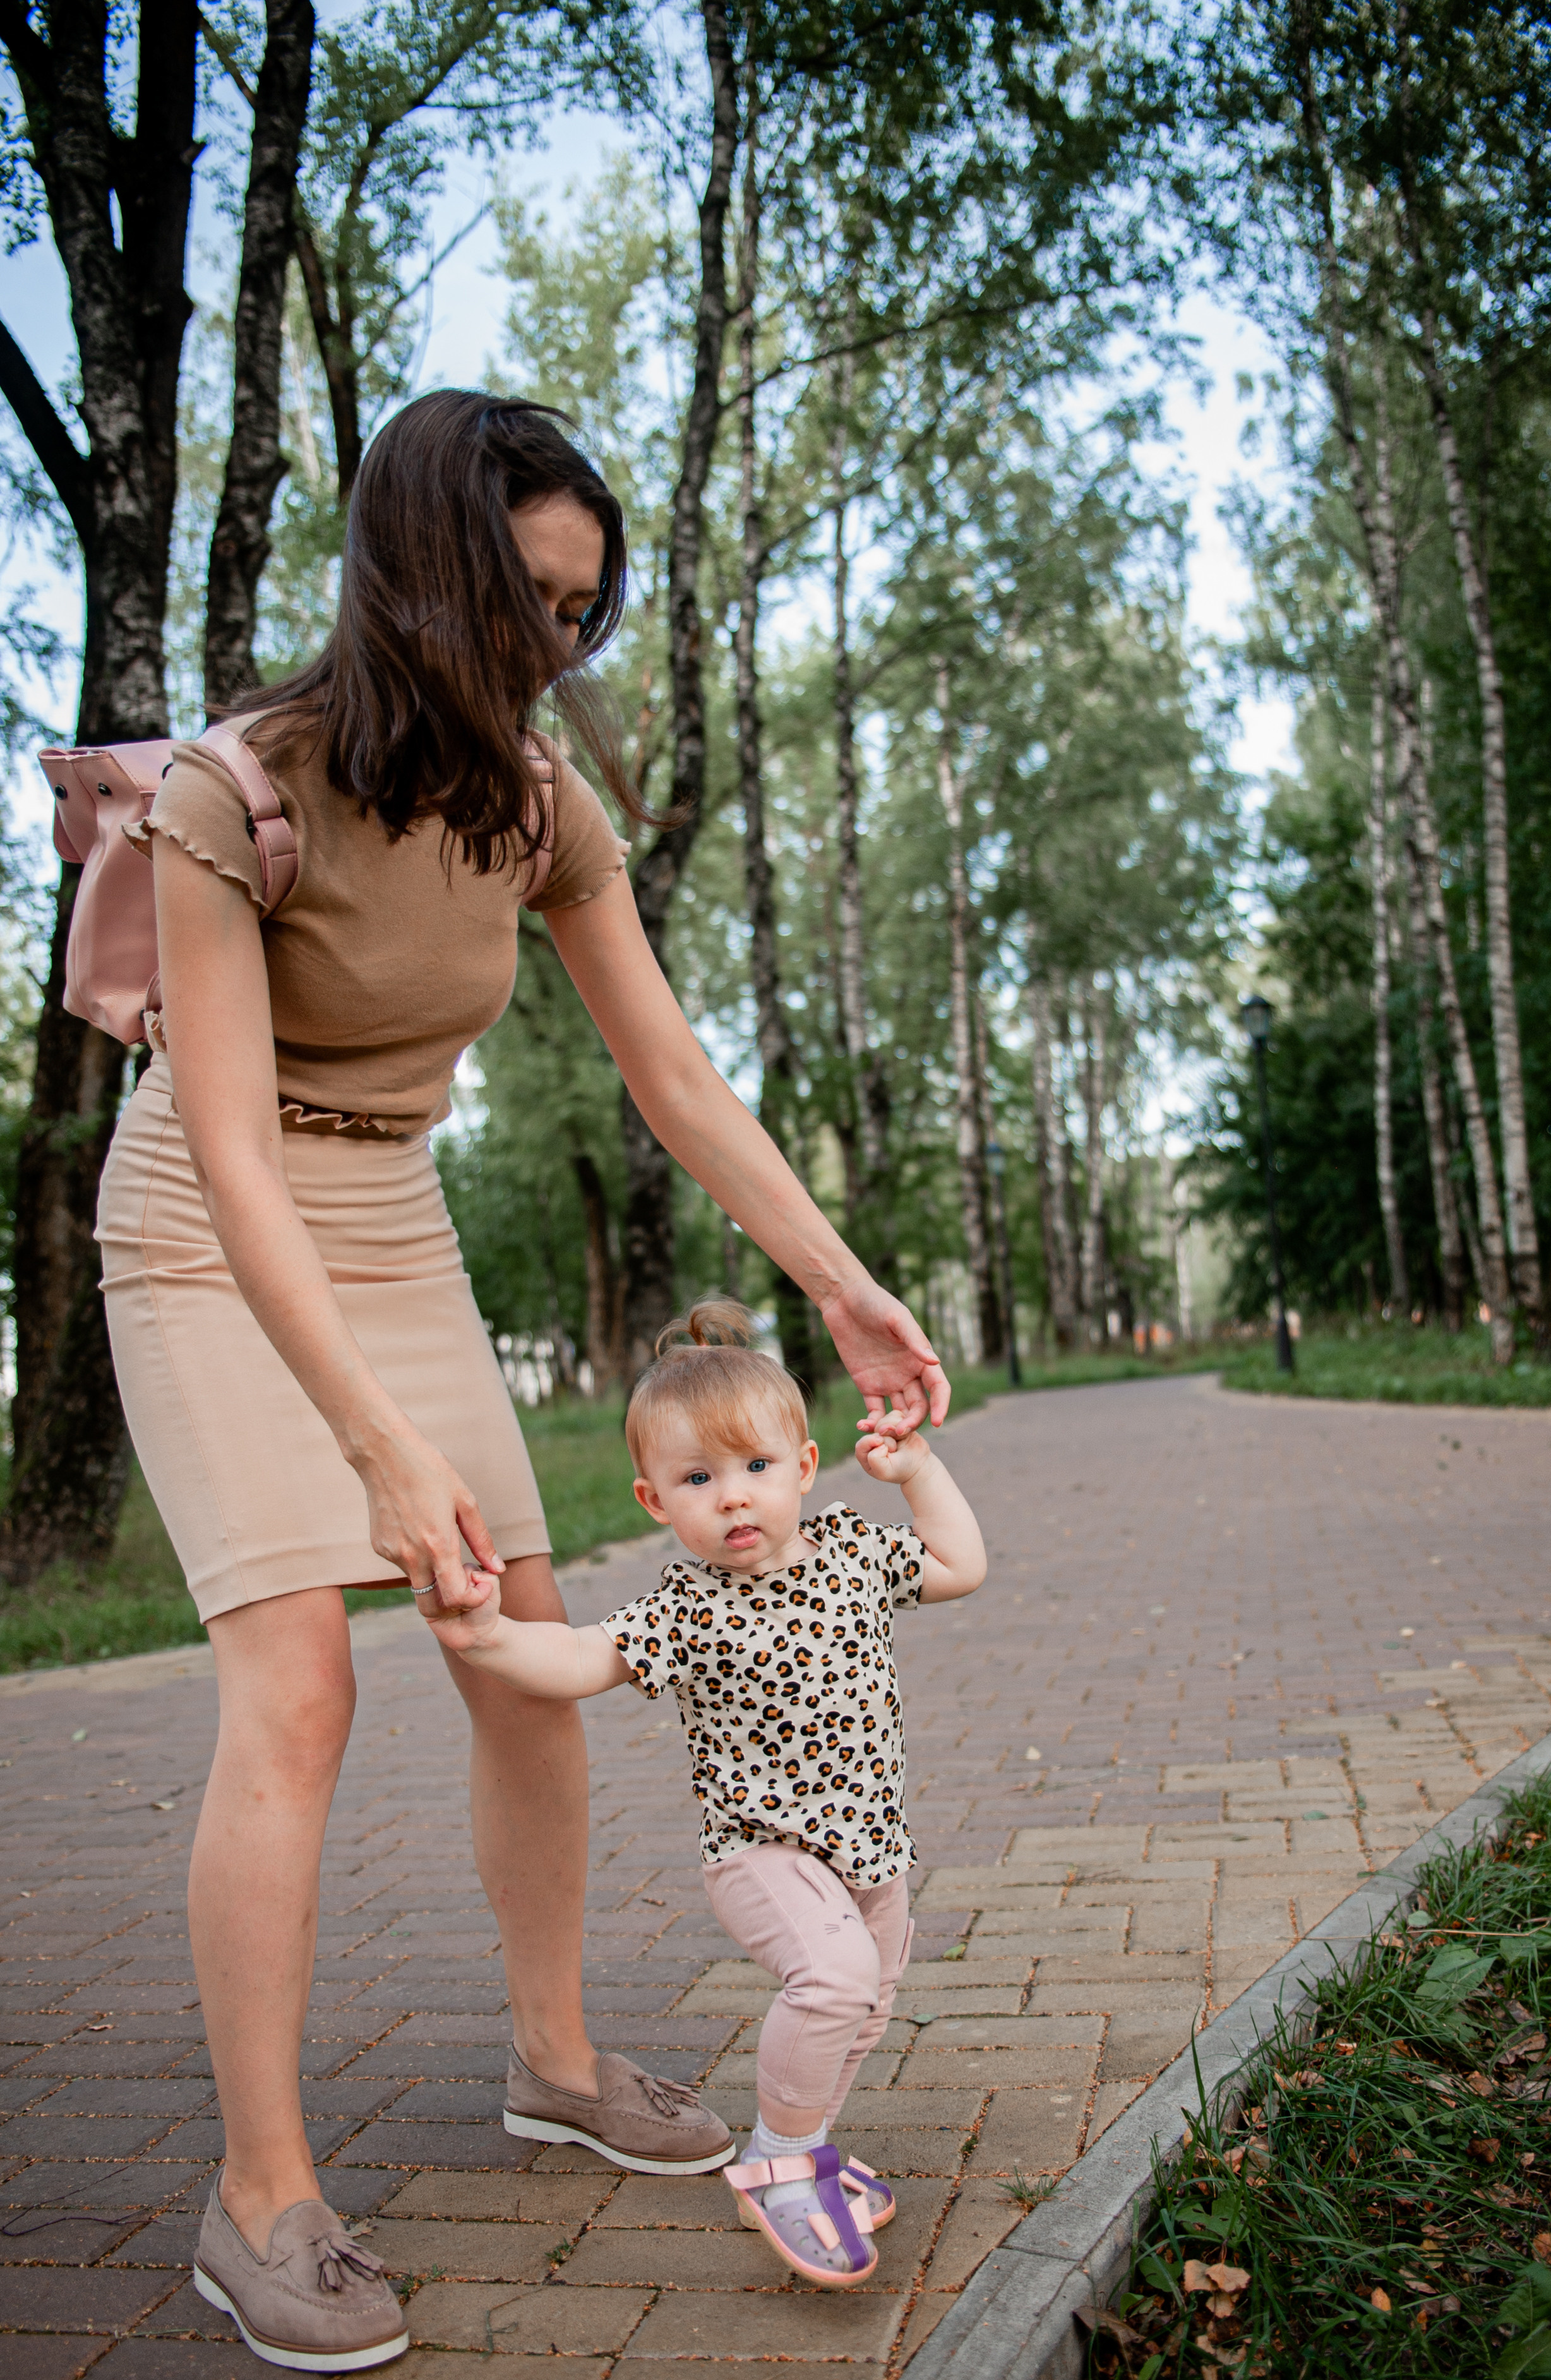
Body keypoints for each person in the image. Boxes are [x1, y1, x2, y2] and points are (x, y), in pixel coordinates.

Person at [94, 393, 949, 2371]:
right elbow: (226, 1152)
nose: (553, 648)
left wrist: (842, 1288)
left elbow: (671, 1073)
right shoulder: (240, 790)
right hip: (212, 1226)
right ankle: (262, 2194)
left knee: (529, 1639)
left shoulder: (539, 801)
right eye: (523, 605)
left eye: (581, 615)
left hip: (394, 1215)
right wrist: (377, 1449)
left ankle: (555, 2059)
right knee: (298, 1675)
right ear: (417, 581)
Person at [422, 1298, 986, 2289]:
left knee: (866, 2004)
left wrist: (919, 1471)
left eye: (756, 1469)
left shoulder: (855, 1552)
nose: (732, 1499)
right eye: (698, 1479)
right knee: (835, 1979)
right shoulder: (687, 1608)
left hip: (872, 1846)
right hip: (763, 1849)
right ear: (654, 1501)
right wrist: (490, 1637)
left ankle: (805, 2148)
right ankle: (776, 2161)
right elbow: (584, 1656)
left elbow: (960, 1567)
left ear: (804, 1470)